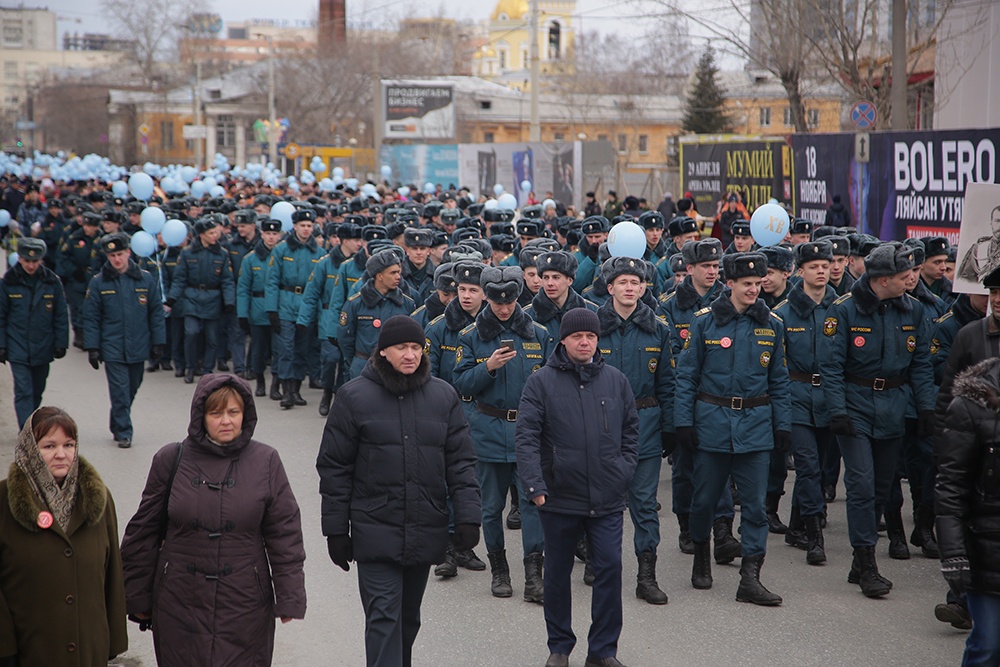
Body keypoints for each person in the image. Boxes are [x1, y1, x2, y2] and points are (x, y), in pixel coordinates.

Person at [317, 315, 481, 667]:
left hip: (424, 526)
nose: (410, 355)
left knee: (408, 620)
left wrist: (468, 516)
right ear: (383, 352)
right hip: (374, 527)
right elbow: (335, 467)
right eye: (401, 348)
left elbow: (461, 463)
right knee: (383, 620)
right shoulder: (353, 397)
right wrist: (335, 529)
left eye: (416, 348)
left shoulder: (443, 396)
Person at [120, 374, 306, 667]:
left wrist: (290, 596)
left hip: (245, 601)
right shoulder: (171, 459)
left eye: (233, 412)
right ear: (200, 416)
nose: (226, 421)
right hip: (179, 601)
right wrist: (138, 598)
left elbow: (285, 534)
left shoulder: (266, 461)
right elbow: (142, 534)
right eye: (216, 413)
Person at [516, 308, 639, 667]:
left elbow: (631, 431)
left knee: (610, 567)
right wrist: (535, 484)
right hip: (558, 496)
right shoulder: (541, 382)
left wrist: (624, 469)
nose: (585, 342)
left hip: (607, 496)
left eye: (591, 337)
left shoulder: (616, 380)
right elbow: (526, 437)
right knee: (556, 573)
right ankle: (559, 646)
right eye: (577, 337)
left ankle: (602, 650)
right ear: (564, 340)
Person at [819, 242, 936, 598]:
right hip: (853, 409)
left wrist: (926, 409)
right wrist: (837, 410)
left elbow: (920, 365)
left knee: (883, 488)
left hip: (893, 409)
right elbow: (831, 366)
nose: (912, 280)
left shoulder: (913, 311)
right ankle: (867, 561)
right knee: (861, 484)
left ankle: (859, 561)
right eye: (905, 276)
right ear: (882, 280)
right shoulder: (843, 311)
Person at [675, 252, 790, 606]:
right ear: (731, 285)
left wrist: (782, 427)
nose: (754, 289)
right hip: (711, 424)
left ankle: (750, 578)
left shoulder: (772, 325)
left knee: (755, 507)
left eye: (758, 283)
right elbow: (686, 375)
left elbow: (780, 380)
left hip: (755, 428)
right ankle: (701, 557)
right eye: (746, 284)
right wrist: (683, 422)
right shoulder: (704, 323)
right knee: (705, 500)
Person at [0, 406, 128, 665]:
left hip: (89, 650)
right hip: (30, 650)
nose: (61, 454)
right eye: (49, 446)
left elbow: (112, 572)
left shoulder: (96, 497)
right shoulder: (4, 500)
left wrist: (112, 639)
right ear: (31, 450)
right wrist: (4, 649)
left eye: (69, 445)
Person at [454, 266, 551, 602]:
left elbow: (552, 385)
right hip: (488, 432)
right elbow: (461, 384)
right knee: (491, 507)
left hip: (528, 433)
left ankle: (534, 577)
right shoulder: (470, 336)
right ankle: (500, 571)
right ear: (487, 297)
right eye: (496, 301)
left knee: (533, 504)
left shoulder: (538, 333)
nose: (504, 308)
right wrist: (488, 367)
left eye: (509, 300)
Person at [594, 257, 674, 605]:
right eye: (623, 282)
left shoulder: (659, 329)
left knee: (643, 504)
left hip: (645, 425)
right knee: (598, 503)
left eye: (636, 283)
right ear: (610, 287)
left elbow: (667, 384)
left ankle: (646, 575)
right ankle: (600, 566)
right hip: (598, 427)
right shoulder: (591, 326)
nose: (630, 288)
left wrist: (671, 429)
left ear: (644, 288)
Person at [773, 241, 838, 565]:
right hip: (795, 396)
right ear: (800, 272)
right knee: (808, 466)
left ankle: (796, 525)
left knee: (823, 470)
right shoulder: (783, 314)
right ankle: (815, 535)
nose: (822, 271)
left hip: (829, 398)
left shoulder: (840, 309)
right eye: (814, 266)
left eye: (825, 266)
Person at [936, 357, 1000, 666]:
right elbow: (951, 486)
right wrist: (953, 553)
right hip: (987, 547)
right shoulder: (973, 405)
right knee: (988, 645)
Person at [83, 232, 166, 448]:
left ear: (128, 252)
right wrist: (92, 347)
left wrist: (159, 342)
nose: (117, 259)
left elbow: (156, 312)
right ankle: (124, 431)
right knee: (120, 390)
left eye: (120, 254)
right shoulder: (99, 282)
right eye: (112, 255)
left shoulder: (145, 279)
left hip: (138, 344)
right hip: (112, 346)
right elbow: (91, 317)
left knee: (132, 388)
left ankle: (117, 420)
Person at [0, 238, 68, 429]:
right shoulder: (8, 283)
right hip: (17, 346)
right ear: (20, 259)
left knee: (37, 389)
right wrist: (2, 345)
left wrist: (61, 342)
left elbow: (60, 315)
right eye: (27, 261)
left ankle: (30, 421)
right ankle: (27, 431)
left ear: (41, 260)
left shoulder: (52, 282)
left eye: (35, 261)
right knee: (24, 391)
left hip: (43, 345)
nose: (31, 265)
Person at [265, 208, 325, 408]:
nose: (306, 229)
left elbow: (320, 287)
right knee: (286, 349)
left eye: (309, 226)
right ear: (295, 227)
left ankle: (297, 390)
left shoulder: (319, 253)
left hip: (306, 307)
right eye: (302, 226)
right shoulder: (281, 249)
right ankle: (286, 391)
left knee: (301, 349)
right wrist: (271, 309)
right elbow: (272, 281)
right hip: (285, 305)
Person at [167, 217, 236, 383]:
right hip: (192, 298)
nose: (215, 236)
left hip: (212, 299)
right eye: (211, 233)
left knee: (212, 338)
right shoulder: (187, 252)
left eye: (216, 232)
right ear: (202, 235)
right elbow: (180, 278)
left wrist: (229, 301)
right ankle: (190, 367)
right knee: (191, 333)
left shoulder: (222, 254)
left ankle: (207, 369)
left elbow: (227, 280)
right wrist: (171, 298)